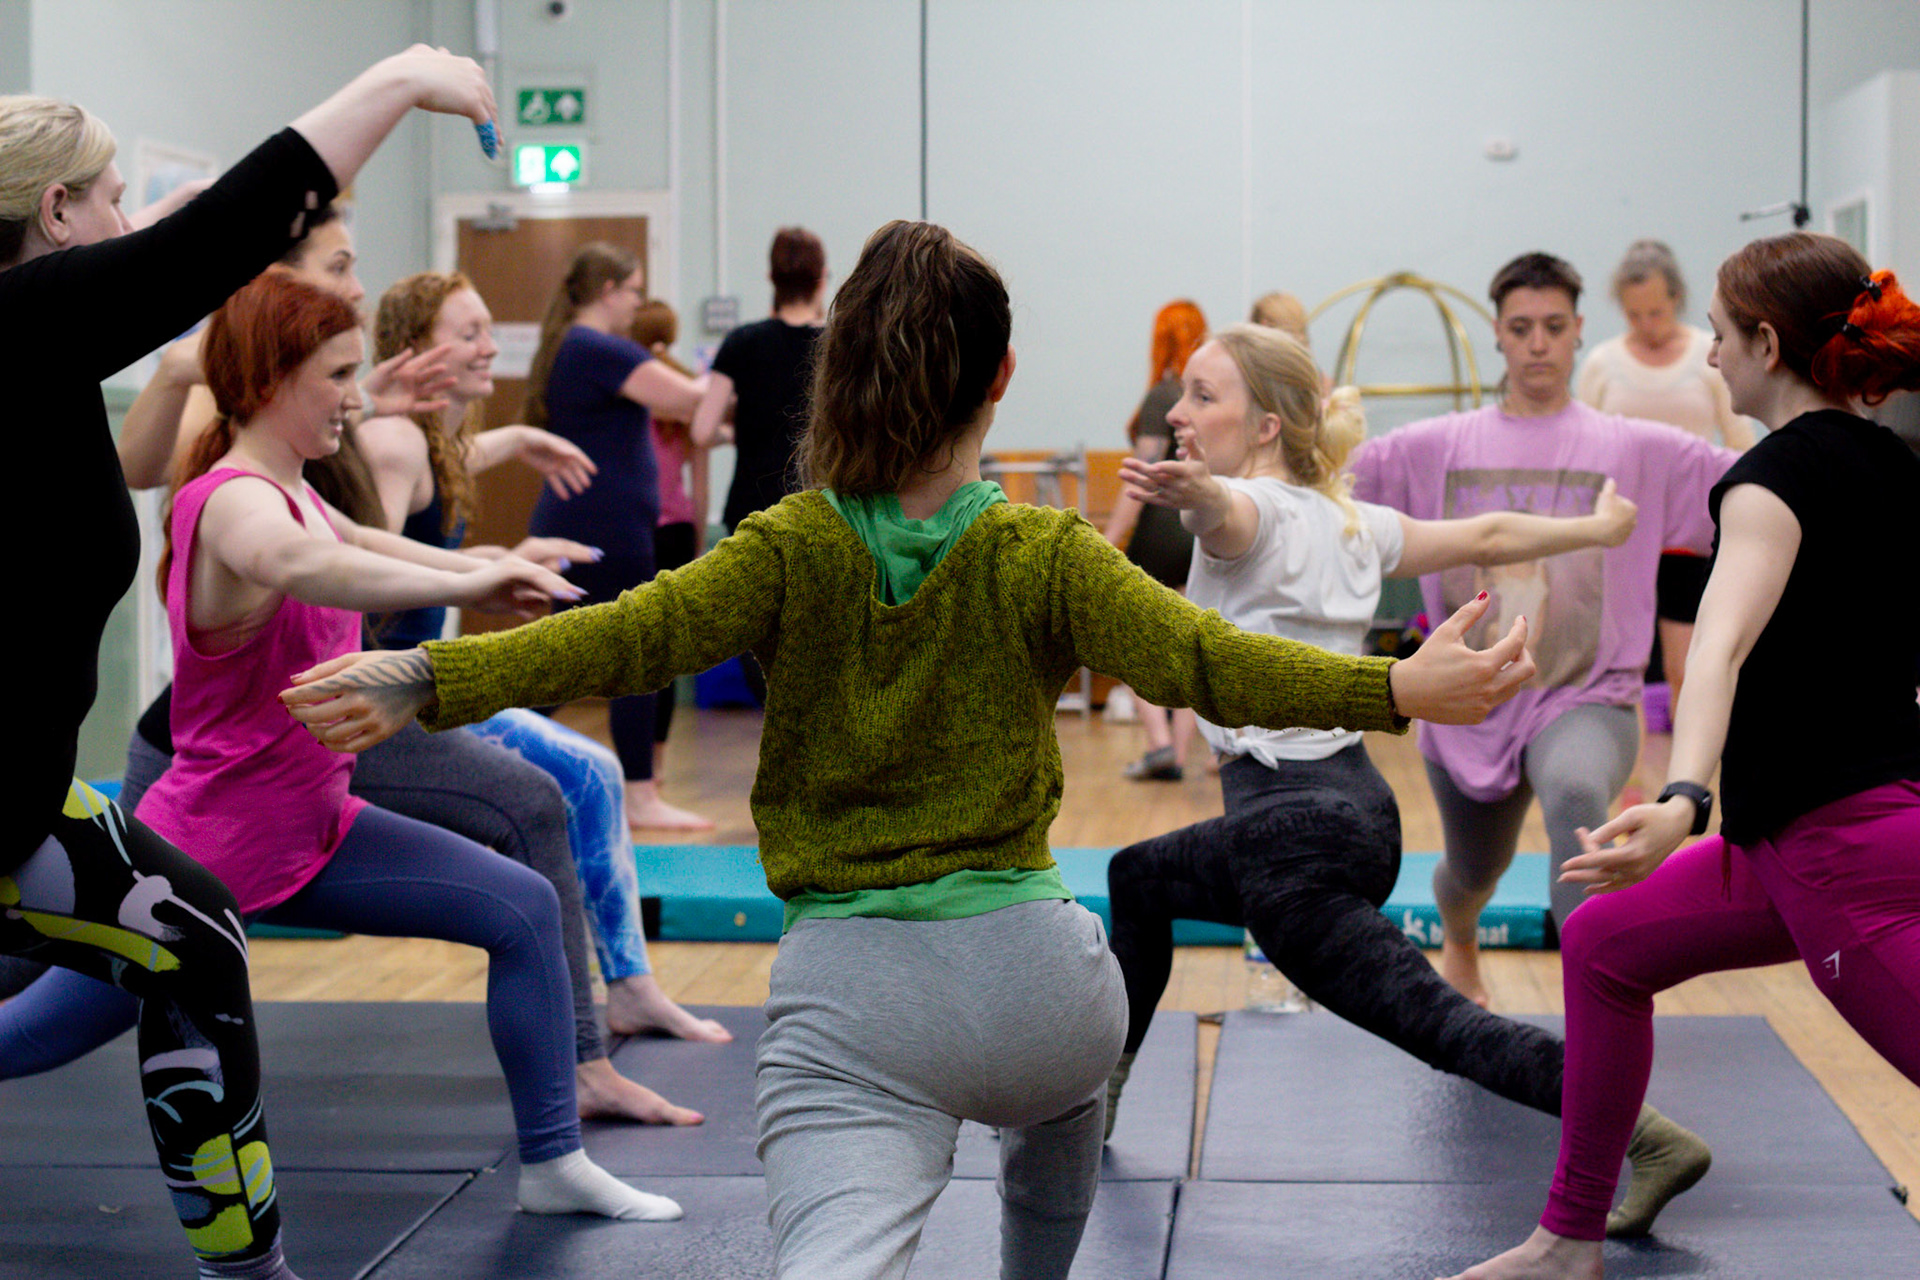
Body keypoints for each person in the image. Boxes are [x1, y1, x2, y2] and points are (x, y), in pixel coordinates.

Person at [282, 218, 1541, 1280]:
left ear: (843, 374)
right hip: (1043, 998)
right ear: (1001, 379)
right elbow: (1211, 661)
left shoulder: (790, 544)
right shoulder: (1043, 550)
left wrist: (426, 674)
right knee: (1066, 1095)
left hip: (854, 1006)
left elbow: (622, 638)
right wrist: (1395, 683)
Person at [17, 273, 684, 1229]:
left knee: (525, 908)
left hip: (317, 827)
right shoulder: (229, 501)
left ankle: (554, 1163)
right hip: (206, 856)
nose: (356, 397)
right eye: (337, 376)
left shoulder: (295, 491)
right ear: (269, 382)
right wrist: (478, 580)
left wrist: (491, 565)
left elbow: (363, 538)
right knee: (27, 1037)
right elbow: (308, 566)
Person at [0, 46, 496, 1280]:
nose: (128, 225)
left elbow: (184, 248)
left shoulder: (40, 359)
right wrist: (399, 82)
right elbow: (213, 238)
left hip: (23, 803)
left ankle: (248, 1267)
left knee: (195, 933)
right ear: (55, 213)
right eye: (112, 200)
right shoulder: (20, 321)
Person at [1104, 322, 1706, 1232]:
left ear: (1266, 426)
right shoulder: (1352, 521)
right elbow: (1492, 531)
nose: (1181, 412)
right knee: (1137, 879)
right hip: (1350, 809)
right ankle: (1098, 1099)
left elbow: (1226, 513)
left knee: (1438, 1026)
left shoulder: (1248, 511)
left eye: (1203, 395)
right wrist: (1599, 527)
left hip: (1291, 842)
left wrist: (1196, 494)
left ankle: (1648, 1136)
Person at [1441, 235, 1920, 1280]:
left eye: (1719, 332)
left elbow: (1718, 648)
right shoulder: (1894, 461)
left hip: (1835, 848)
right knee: (1603, 941)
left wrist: (1683, 795)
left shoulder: (1768, 481)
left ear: (1766, 343)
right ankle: (1568, 1237)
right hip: (1799, 838)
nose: (1708, 354)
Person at [1349, 252, 1741, 1006]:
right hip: (1470, 698)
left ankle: (1596, 1006)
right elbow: (1319, 495)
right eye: (1522, 328)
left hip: (1587, 693)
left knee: (1573, 794)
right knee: (1473, 871)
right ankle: (1460, 936)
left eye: (1554, 327)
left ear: (1578, 331)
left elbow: (1758, 488)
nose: (1538, 344)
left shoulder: (1634, 448)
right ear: (1498, 333)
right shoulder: (1434, 447)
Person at [360, 270, 730, 1046]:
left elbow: (461, 455)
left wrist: (522, 447)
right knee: (583, 777)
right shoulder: (394, 443)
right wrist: (487, 571)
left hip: (420, 692)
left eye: (488, 329)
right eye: (468, 334)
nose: (490, 346)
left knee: (593, 774)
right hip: (389, 704)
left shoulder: (431, 445)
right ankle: (607, 1002)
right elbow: (365, 573)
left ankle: (626, 989)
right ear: (414, 351)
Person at [524, 242, 712, 831]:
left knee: (578, 658)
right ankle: (639, 795)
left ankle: (491, 746)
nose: (637, 303)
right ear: (608, 291)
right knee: (633, 652)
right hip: (600, 526)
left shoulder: (577, 347)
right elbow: (689, 399)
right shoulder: (597, 348)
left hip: (595, 522)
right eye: (633, 290)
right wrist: (735, 375)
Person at [1576, 240, 1754, 720]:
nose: (1646, 325)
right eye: (1634, 315)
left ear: (1676, 298)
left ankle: (1687, 757)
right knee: (1617, 668)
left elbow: (1738, 441)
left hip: (1689, 534)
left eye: (1655, 312)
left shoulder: (1708, 355)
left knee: (1687, 666)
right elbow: (1582, 450)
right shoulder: (1603, 363)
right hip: (1621, 532)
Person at [1103, 299, 1207, 781]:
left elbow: (1141, 477)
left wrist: (1109, 538)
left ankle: (1159, 743)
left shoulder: (1162, 395)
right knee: (1188, 645)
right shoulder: (1205, 400)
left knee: (1129, 636)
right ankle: (1180, 755)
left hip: (1160, 535)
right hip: (1198, 527)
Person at [690, 226, 827, 530]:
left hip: (752, 507)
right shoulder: (836, 344)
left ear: (771, 278)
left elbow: (702, 432)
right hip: (818, 506)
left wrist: (732, 433)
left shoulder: (742, 341)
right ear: (821, 279)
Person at [630, 298, 710, 763]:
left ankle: (635, 762)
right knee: (664, 654)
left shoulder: (628, 395)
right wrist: (698, 543)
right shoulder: (686, 395)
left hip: (637, 530)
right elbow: (699, 484)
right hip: (676, 530)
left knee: (632, 647)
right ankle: (656, 764)